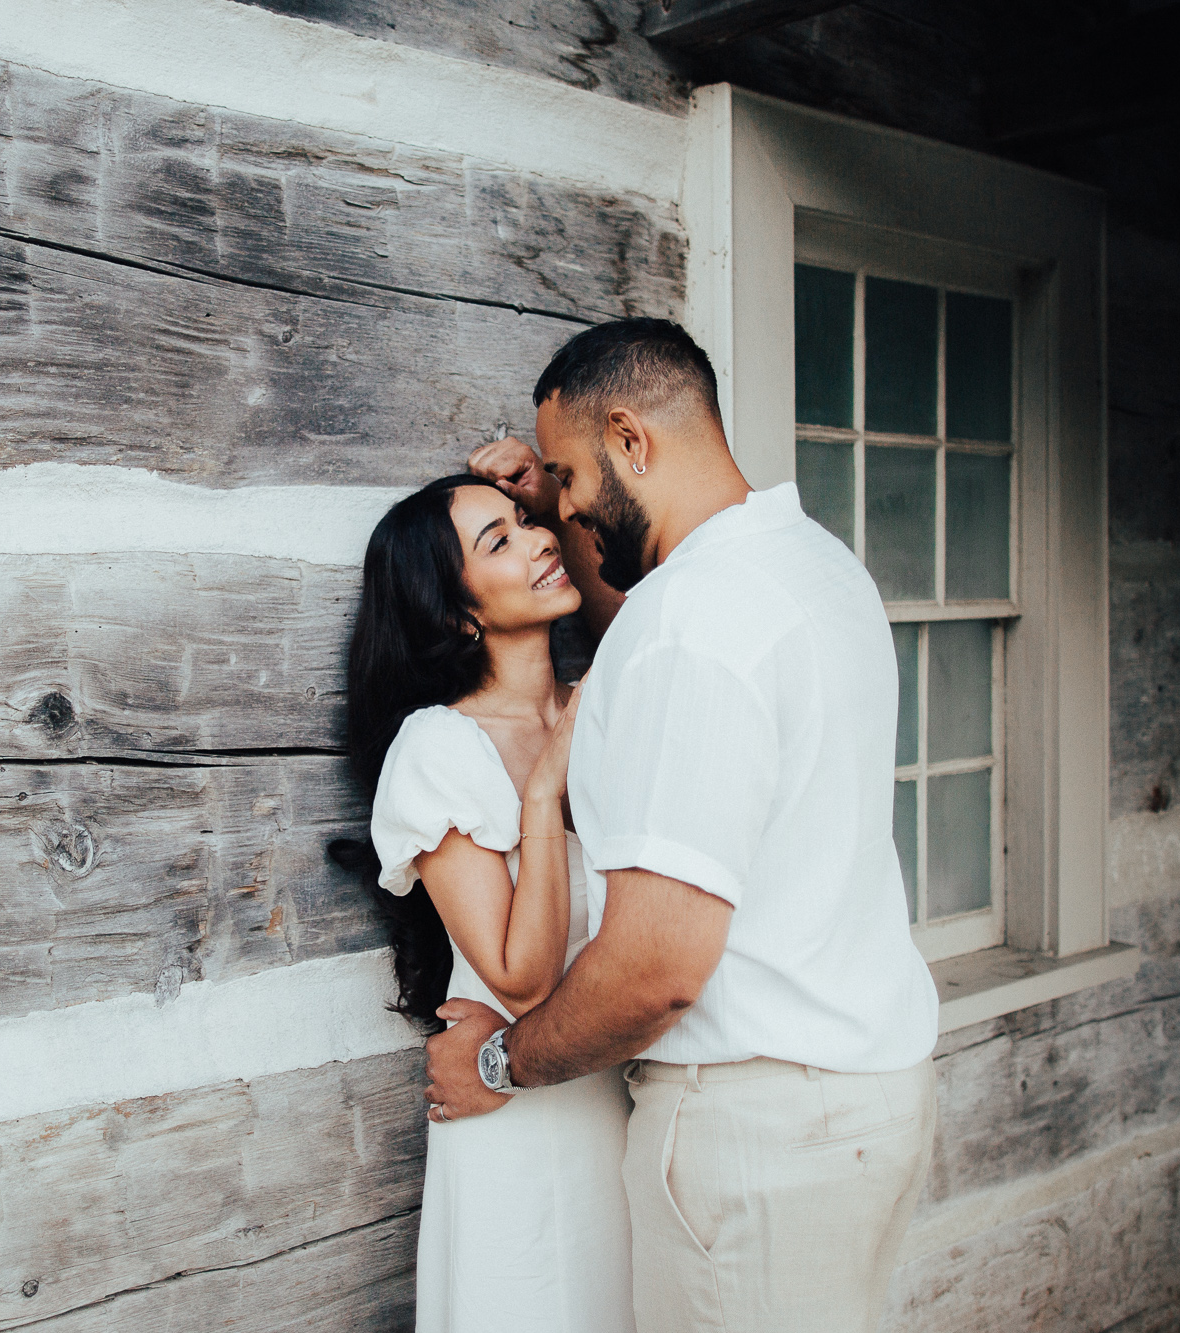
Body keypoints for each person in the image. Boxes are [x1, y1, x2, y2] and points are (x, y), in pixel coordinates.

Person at [431, 319, 942, 1333]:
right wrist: (552, 502)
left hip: (755, 1134)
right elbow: (656, 651)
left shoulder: (688, 627)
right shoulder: (816, 566)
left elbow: (657, 965)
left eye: (567, 479)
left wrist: (501, 1060)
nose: (559, 508)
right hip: (864, 1099)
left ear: (630, 440)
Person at [341, 474, 637, 1333]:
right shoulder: (439, 749)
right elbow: (522, 979)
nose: (541, 540)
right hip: (521, 1129)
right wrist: (542, 796)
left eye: (528, 522)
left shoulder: (604, 708)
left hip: (628, 1100)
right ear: (456, 615)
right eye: (498, 542)